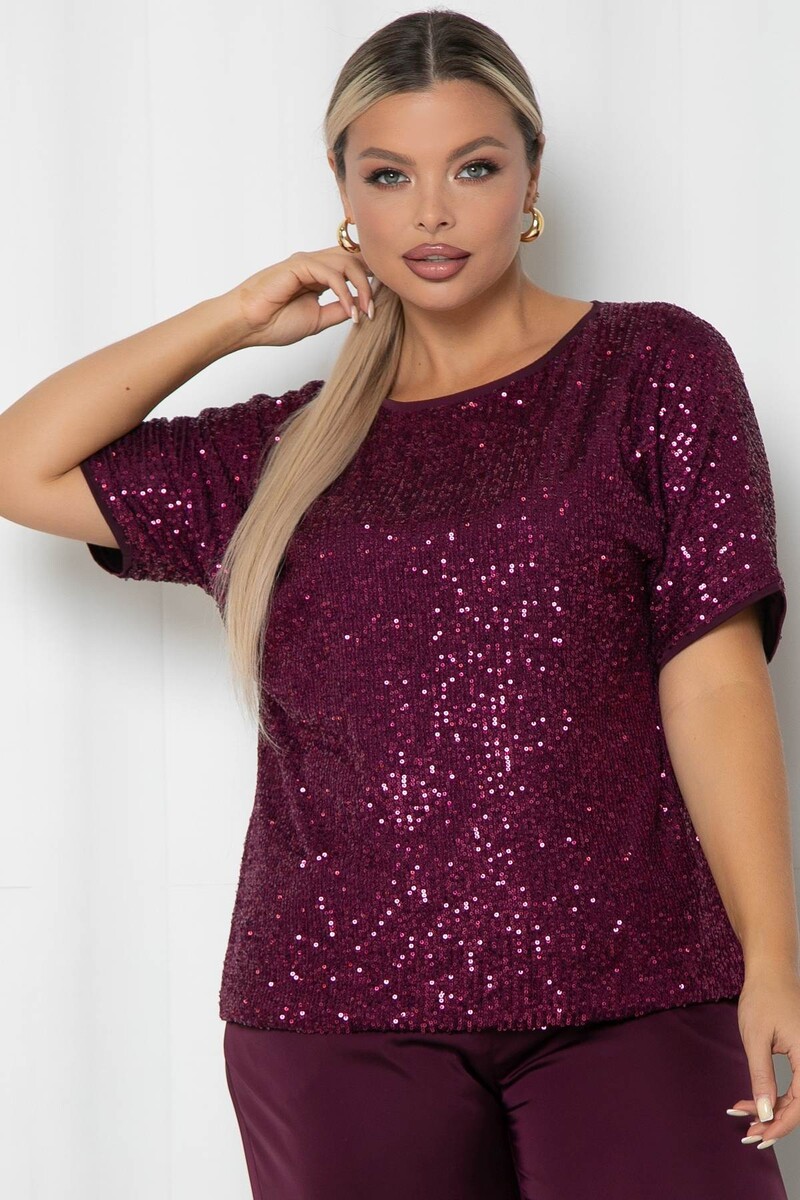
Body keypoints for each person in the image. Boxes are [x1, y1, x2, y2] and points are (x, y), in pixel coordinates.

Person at [1, 7, 797, 1198]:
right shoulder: (287, 450)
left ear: (529, 177)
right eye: (388, 175)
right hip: (333, 1014)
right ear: (342, 193)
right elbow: (21, 465)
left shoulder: (651, 370)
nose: (430, 213)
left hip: (636, 984)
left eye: (471, 168)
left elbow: (713, 680)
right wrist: (234, 318)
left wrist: (771, 955)